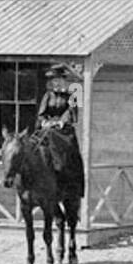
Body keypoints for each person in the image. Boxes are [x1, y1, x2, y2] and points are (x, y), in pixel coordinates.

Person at [35, 63, 86, 193]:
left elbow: (70, 111)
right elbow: (41, 114)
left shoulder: (71, 95)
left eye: (58, 80)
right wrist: (45, 121)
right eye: (54, 80)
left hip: (63, 130)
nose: (56, 83)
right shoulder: (48, 95)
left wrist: (61, 122)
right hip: (48, 127)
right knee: (35, 143)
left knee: (64, 144)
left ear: (64, 81)